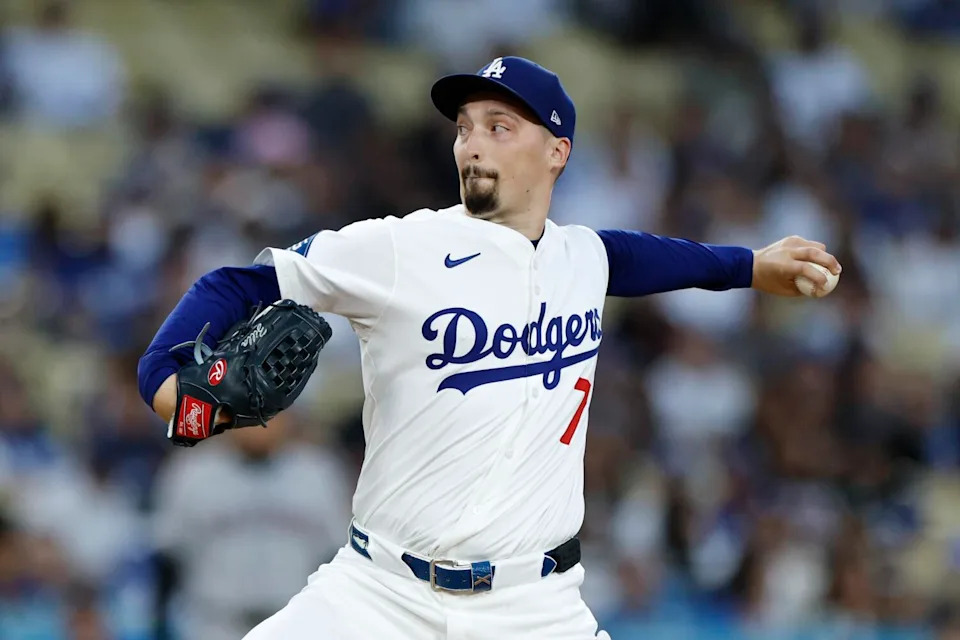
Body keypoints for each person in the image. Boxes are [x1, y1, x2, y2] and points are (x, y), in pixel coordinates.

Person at [137, 56, 841, 639]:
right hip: (381, 596)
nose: (472, 143)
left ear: (557, 152)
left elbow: (646, 258)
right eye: (465, 128)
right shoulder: (399, 248)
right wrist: (166, 384)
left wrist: (750, 265)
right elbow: (236, 282)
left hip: (536, 608)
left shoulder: (584, 258)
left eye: (499, 127)